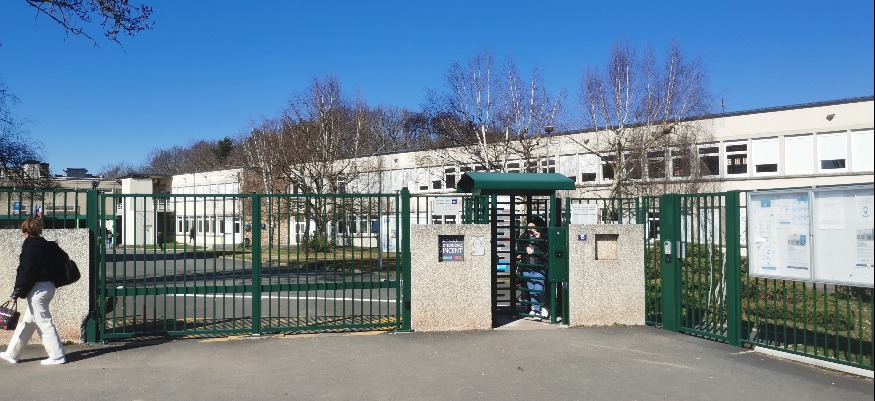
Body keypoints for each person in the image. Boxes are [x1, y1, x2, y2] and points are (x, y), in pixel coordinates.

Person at [0, 218, 67, 365]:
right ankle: (12, 354)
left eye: (22, 232)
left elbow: (26, 272)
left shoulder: (30, 247)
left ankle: (57, 356)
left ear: (25, 232)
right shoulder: (48, 246)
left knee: (44, 323)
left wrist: (16, 293)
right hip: (49, 287)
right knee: (28, 322)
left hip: (38, 291)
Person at [516, 215, 549, 320]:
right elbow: (519, 247)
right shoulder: (524, 237)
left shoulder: (543, 236)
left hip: (539, 267)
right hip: (527, 267)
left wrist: (540, 239)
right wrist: (525, 248)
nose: (530, 229)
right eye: (528, 227)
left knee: (539, 289)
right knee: (532, 291)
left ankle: (544, 306)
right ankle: (536, 310)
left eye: (532, 227)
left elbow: (547, 249)